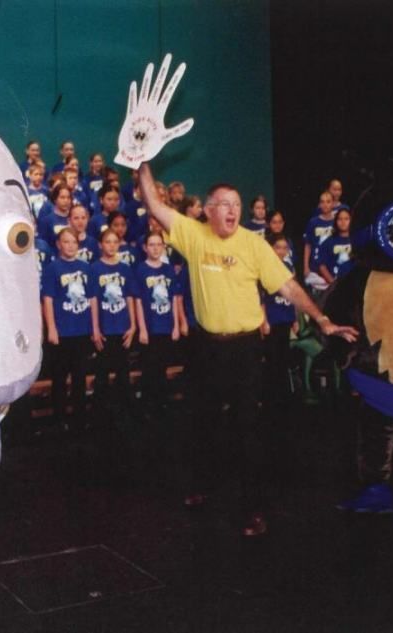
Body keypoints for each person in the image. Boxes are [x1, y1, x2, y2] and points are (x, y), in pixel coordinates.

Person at [133, 163, 356, 537]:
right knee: (202, 421)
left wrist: (323, 320)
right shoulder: (193, 235)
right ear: (208, 209)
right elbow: (155, 205)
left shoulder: (255, 245)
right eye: (224, 204)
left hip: (245, 349)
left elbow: (288, 287)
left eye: (236, 204)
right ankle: (202, 487)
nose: (233, 210)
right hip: (206, 347)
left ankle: (254, 508)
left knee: (246, 428)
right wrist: (142, 162)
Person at [41, 228, 92, 431]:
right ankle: (59, 418)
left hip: (81, 330)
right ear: (59, 245)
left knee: (80, 378)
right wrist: (51, 328)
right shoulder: (52, 268)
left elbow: (92, 299)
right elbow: (48, 300)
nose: (70, 246)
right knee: (60, 378)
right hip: (62, 332)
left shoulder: (85, 268)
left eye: (73, 242)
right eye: (66, 242)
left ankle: (79, 417)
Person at [89, 228, 138, 414]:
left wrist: (133, 325)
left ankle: (124, 411)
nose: (111, 245)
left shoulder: (125, 268)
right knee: (101, 373)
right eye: (107, 242)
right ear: (101, 245)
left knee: (123, 371)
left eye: (114, 242)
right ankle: (100, 412)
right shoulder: (94, 268)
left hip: (123, 327)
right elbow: (93, 299)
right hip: (104, 328)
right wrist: (95, 328)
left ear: (119, 245)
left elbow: (129, 298)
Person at [134, 231, 181, 418]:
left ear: (164, 247)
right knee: (149, 368)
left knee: (162, 367)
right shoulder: (140, 269)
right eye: (151, 245)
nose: (155, 248)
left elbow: (174, 299)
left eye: (158, 245)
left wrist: (176, 325)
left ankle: (162, 404)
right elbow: (137, 301)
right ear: (145, 248)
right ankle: (148, 405)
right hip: (150, 327)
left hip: (166, 325)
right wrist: (142, 328)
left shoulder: (169, 270)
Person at [262, 233, 299, 404]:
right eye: (278, 247)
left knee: (284, 359)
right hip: (271, 318)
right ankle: (270, 397)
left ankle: (284, 398)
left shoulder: (288, 267)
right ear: (270, 248)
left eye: (285, 248)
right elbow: (260, 297)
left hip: (285, 317)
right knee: (272, 360)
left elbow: (294, 294)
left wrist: (295, 318)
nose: (282, 251)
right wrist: (264, 321)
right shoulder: (263, 267)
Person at [302, 190, 335, 294]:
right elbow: (308, 245)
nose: (325, 204)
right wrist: (306, 267)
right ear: (319, 204)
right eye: (322, 202)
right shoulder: (313, 222)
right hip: (315, 267)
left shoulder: (338, 222)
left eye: (328, 201)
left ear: (333, 203)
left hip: (333, 266)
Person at [317, 207, 354, 285]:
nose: (343, 222)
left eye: (346, 219)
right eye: (340, 219)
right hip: (336, 283)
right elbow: (322, 266)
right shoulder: (328, 242)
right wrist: (333, 283)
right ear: (335, 221)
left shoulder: (358, 240)